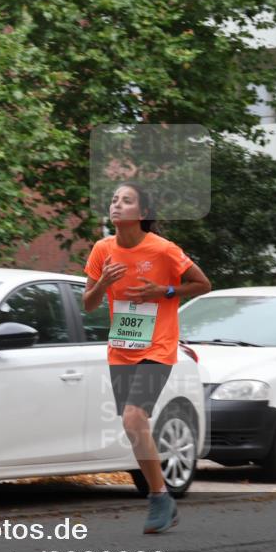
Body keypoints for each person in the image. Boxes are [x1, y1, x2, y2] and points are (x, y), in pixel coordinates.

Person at [83, 182, 211, 534]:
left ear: (141, 213)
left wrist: (163, 290)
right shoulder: (102, 249)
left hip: (158, 345)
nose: (116, 205)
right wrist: (102, 282)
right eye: (113, 200)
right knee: (132, 425)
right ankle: (163, 497)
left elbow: (203, 284)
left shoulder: (163, 250)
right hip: (121, 347)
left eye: (126, 201)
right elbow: (89, 304)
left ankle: (157, 497)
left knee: (133, 416)